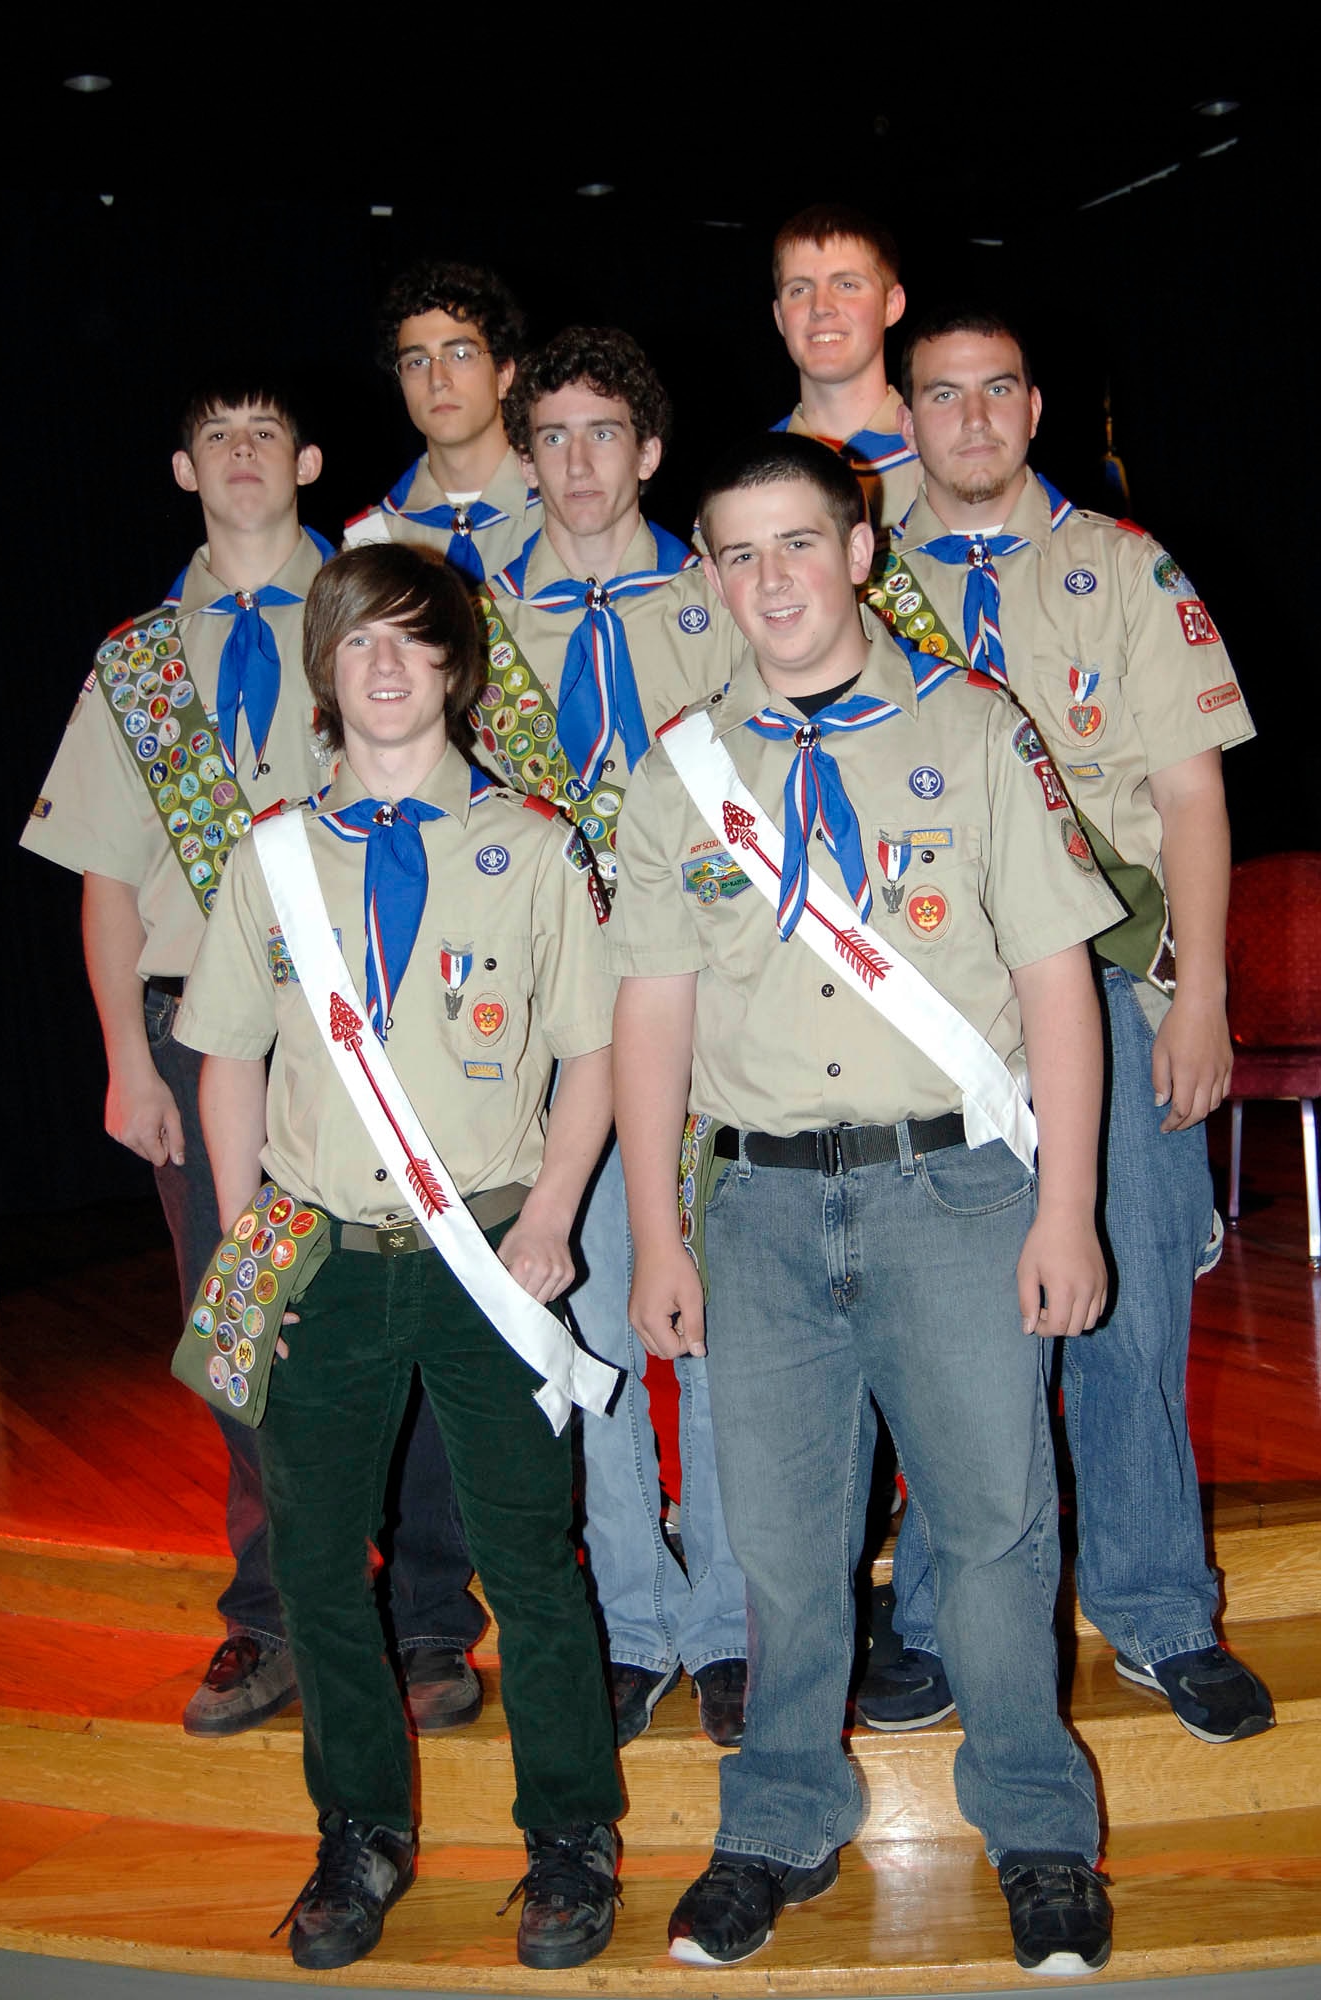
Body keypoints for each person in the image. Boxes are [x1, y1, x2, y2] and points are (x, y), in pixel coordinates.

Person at [607, 431, 1128, 1976]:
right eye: (736, 553)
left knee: (991, 1528)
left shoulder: (972, 733)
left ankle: (1035, 1827)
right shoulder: (676, 771)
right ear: (708, 576)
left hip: (958, 1192)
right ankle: (774, 1822)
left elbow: (1054, 983)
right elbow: (649, 1013)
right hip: (757, 1213)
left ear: (856, 550)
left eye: (796, 543)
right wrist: (652, 1229)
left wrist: (1067, 1209)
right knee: (774, 1543)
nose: (769, 579)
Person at [174, 543, 625, 1973]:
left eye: (409, 641)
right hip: (320, 1251)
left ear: (451, 665)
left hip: (490, 1243)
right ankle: (360, 1832)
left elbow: (593, 1048)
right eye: (354, 639)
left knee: (529, 1562)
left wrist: (553, 1210)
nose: (381, 665)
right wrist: (249, 1240)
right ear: (325, 669)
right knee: (315, 1565)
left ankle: (569, 1837)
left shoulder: (537, 847)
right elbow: (229, 1060)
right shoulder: (272, 858)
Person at [20, 386, 485, 1739]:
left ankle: (431, 1621)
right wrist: (125, 1055)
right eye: (213, 436)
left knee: (424, 1328)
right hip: (205, 1038)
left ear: (308, 462)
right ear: (180, 466)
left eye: (263, 435)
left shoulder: (376, 615)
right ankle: (274, 1614)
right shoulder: (139, 663)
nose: (238, 456)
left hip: (387, 1022)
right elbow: (106, 878)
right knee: (249, 1325)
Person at [857, 308, 1273, 1747]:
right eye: (937, 397)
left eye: (991, 395)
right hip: (929, 1004)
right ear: (901, 416)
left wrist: (1201, 998)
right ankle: (924, 1618)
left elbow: (1189, 803)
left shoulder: (1118, 568)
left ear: (1030, 411)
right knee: (942, 1337)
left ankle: (1156, 1609)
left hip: (1106, 981)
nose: (965, 421)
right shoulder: (856, 578)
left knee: (1132, 1319)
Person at [472, 325, 750, 1748]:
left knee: (705, 1317)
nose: (577, 463)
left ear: (647, 452)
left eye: (603, 435)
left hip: (704, 1007)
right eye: (551, 437)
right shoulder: (470, 631)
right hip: (544, 1030)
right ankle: (631, 1622)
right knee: (573, 1322)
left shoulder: (718, 603)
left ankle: (729, 1624)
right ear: (522, 456)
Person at [344, 260, 538, 579]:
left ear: (504, 374)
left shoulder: (564, 512)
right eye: (417, 361)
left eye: (460, 355)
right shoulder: (372, 542)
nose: (437, 379)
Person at [770, 203, 921, 532]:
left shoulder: (944, 458)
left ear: (892, 305)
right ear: (780, 317)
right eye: (799, 289)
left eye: (846, 285)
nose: (820, 307)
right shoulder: (749, 478)